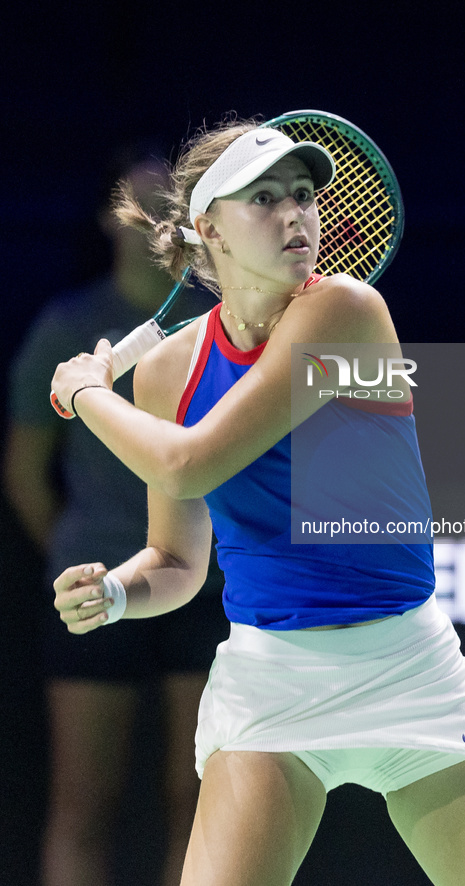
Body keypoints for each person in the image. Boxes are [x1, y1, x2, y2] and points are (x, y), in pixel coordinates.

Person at [50, 119, 465, 886]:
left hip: (407, 670)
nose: (296, 214)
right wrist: (120, 592)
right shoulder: (166, 374)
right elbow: (179, 560)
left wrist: (89, 392)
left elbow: (191, 464)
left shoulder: (346, 313)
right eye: (264, 198)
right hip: (270, 684)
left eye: (303, 195)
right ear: (207, 229)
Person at [3, 148, 228, 886]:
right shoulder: (66, 324)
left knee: (193, 797)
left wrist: (94, 393)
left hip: (202, 590)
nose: (155, 218)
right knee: (83, 803)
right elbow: (25, 470)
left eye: (170, 205)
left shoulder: (215, 332)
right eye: (141, 203)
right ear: (108, 218)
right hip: (96, 581)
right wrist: (74, 559)